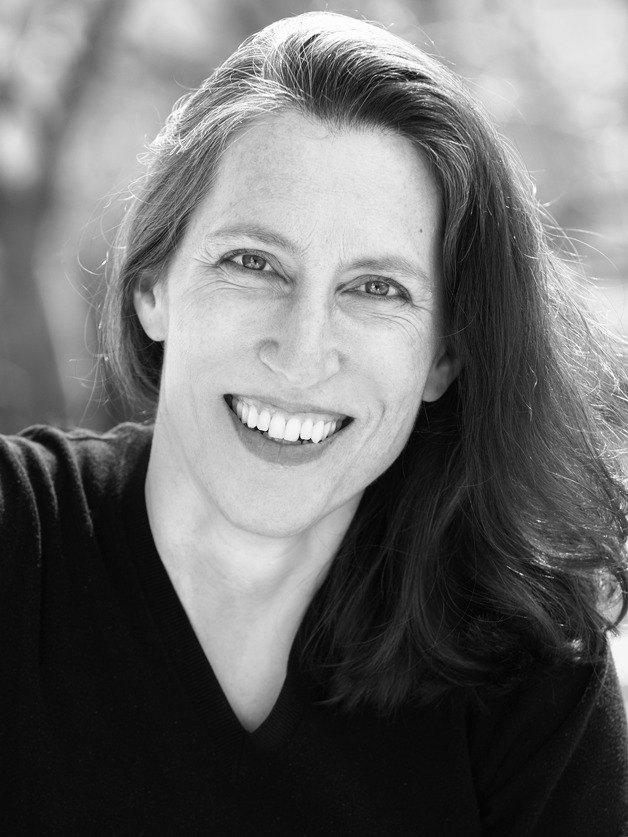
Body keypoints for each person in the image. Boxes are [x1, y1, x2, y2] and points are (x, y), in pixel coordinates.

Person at [1, 10, 627, 835]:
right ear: (152, 284)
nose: (300, 355)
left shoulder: (527, 675)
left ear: (443, 356)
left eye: (376, 288)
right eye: (253, 262)